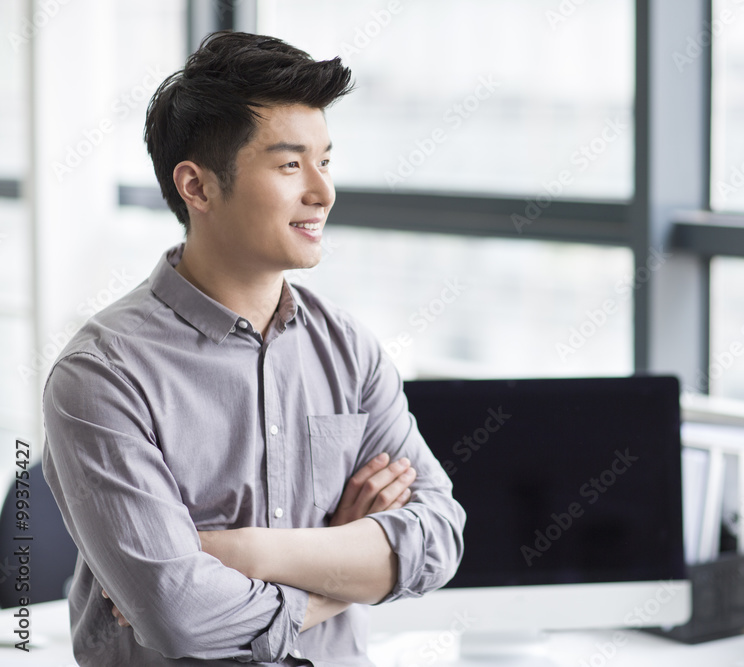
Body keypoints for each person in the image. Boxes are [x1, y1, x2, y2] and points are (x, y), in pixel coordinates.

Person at [41, 31, 465, 666]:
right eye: (290, 165)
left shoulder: (350, 351)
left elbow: (438, 540)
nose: (321, 193)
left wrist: (237, 553)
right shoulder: (99, 376)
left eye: (326, 161)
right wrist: (340, 567)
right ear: (198, 187)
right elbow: (178, 613)